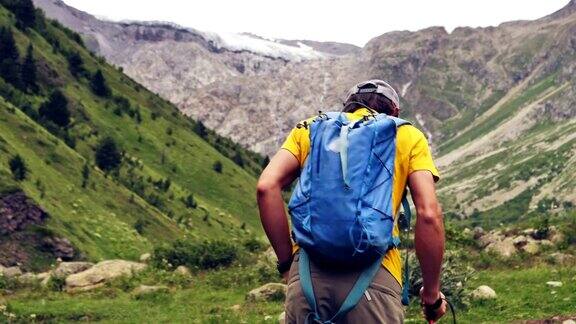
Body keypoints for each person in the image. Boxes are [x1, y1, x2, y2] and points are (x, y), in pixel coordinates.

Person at [257, 80, 446, 323]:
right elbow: (429, 214)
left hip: (306, 280)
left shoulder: (308, 128)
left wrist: (286, 265)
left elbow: (266, 187)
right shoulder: (406, 134)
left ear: (347, 108)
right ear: (395, 111)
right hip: (376, 280)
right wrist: (431, 296)